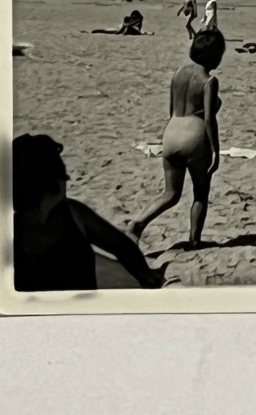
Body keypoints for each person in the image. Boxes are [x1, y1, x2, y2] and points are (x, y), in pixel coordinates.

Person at [13, 134, 165, 291]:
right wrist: (147, 277)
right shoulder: (72, 215)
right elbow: (121, 245)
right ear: (57, 185)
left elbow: (121, 246)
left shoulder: (3, 230)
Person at [129, 29, 225, 247]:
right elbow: (209, 119)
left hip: (172, 132)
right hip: (195, 136)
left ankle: (138, 222)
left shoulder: (178, 73)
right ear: (215, 56)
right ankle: (194, 240)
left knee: (170, 193)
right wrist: (216, 150)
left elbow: (172, 109)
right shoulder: (209, 81)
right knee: (200, 193)